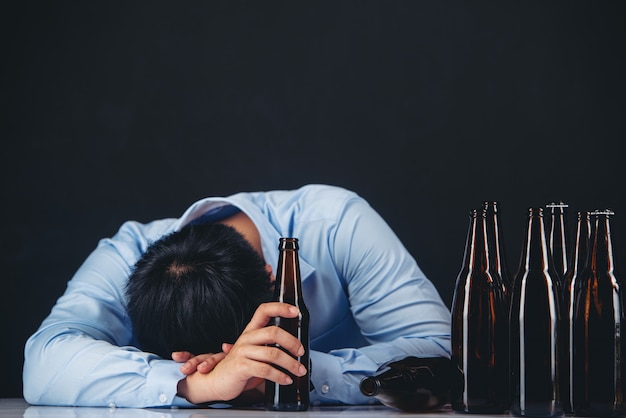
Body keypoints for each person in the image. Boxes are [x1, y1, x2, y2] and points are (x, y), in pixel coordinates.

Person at [23, 184, 451, 408]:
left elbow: (448, 353)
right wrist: (193, 383)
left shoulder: (336, 223)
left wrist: (281, 372)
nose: (235, 370)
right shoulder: (127, 253)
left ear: (273, 281)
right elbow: (44, 362)